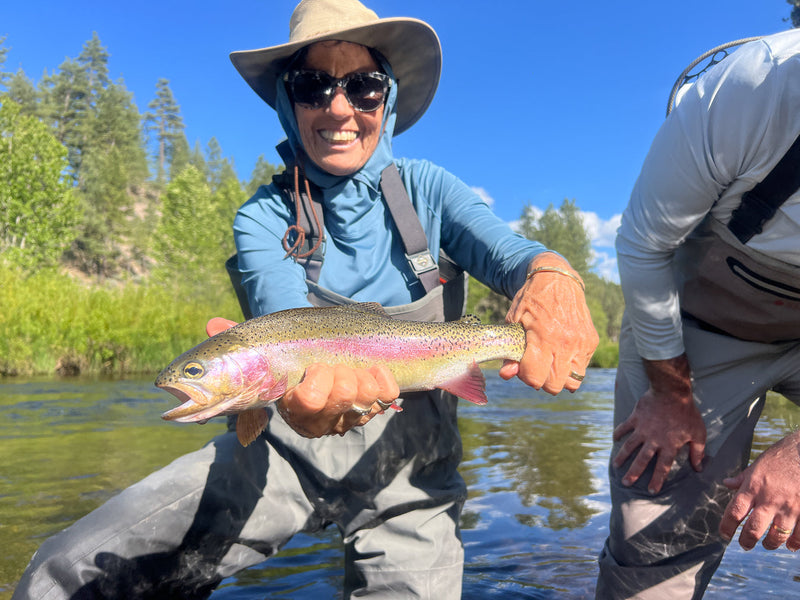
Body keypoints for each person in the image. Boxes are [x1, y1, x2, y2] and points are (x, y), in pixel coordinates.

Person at [12, 1, 597, 598]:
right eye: (313, 86)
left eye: (364, 86)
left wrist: (554, 276)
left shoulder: (430, 190)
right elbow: (277, 332)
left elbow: (512, 253)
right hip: (281, 458)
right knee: (69, 573)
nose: (339, 108)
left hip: (415, 477)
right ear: (287, 105)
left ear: (387, 100)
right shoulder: (263, 218)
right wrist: (281, 395)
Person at [596, 29, 800, 599]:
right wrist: (669, 394)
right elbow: (643, 245)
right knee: (658, 524)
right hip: (698, 325)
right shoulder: (754, 85)